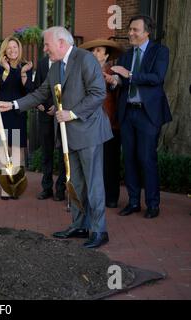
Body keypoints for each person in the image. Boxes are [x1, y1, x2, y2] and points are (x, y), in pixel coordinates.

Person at [0, 26, 112, 249]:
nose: (44, 49)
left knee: (93, 184)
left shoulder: (85, 59)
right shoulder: (55, 66)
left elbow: (98, 93)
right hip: (70, 135)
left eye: (47, 44)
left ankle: (99, 230)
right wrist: (12, 105)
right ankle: (80, 225)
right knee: (75, 182)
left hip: (89, 132)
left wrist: (72, 113)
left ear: (61, 43)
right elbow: (41, 93)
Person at [110, 15, 172, 219]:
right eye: (129, 29)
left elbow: (157, 78)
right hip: (128, 113)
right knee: (129, 160)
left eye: (135, 30)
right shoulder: (126, 56)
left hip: (148, 114)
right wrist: (114, 80)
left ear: (147, 32)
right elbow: (122, 81)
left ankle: (153, 204)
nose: (130, 33)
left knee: (146, 159)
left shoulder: (160, 51)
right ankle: (134, 202)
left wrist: (129, 75)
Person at [79, 39, 124, 208]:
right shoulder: (85, 72)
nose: (94, 53)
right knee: (92, 162)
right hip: (89, 124)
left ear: (106, 55)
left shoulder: (112, 71)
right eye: (92, 51)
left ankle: (111, 197)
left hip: (110, 123)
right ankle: (91, 197)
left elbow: (118, 86)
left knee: (110, 162)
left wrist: (113, 81)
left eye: (98, 50)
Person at [0, 35, 34, 200]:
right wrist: (7, 70)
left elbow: (29, 91)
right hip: (3, 113)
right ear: (5, 50)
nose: (12, 50)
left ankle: (15, 185)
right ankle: (5, 187)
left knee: (17, 150)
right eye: (9, 48)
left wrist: (23, 75)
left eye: (15, 48)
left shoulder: (25, 66)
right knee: (4, 150)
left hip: (17, 112)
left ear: (19, 49)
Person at [34, 55, 66, 202]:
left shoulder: (63, 62)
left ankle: (61, 188)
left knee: (62, 151)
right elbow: (39, 86)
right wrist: (39, 104)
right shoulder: (41, 63)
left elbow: (67, 86)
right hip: (44, 113)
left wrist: (57, 104)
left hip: (61, 112)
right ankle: (46, 187)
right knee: (47, 152)